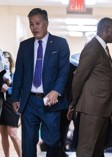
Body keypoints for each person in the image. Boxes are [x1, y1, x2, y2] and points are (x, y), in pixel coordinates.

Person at [11, 8, 70, 157]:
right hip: (29, 101)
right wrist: (15, 97)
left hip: (51, 102)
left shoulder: (60, 43)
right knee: (28, 143)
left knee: (52, 142)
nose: (34, 27)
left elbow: (64, 72)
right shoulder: (25, 46)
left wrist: (56, 91)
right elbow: (19, 74)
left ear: (46, 23)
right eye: (31, 24)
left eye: (37, 23)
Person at [67, 17, 112, 157]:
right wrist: (73, 102)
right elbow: (79, 77)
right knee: (87, 149)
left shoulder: (103, 48)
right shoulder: (92, 48)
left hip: (102, 108)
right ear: (106, 29)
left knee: (97, 149)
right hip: (91, 108)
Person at [0, 51, 22, 157]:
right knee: (3, 134)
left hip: (12, 103)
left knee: (13, 134)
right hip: (1, 104)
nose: (6, 62)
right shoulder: (1, 75)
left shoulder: (15, 74)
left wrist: (8, 89)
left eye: (7, 60)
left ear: (10, 61)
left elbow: (20, 89)